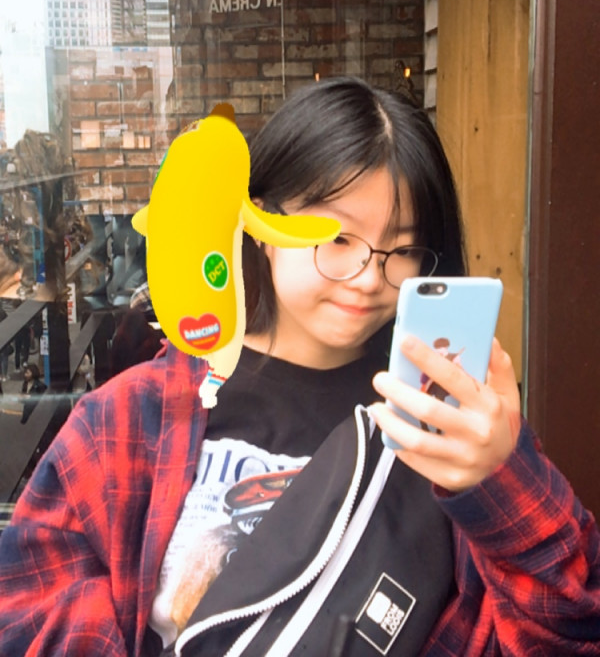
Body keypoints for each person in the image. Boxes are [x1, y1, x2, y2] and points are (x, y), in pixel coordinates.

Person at [0, 77, 598, 656]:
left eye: (403, 248)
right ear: (261, 224)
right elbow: (27, 607)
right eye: (336, 238)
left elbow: (570, 631)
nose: (369, 277)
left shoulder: (444, 431)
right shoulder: (131, 419)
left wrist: (503, 477)